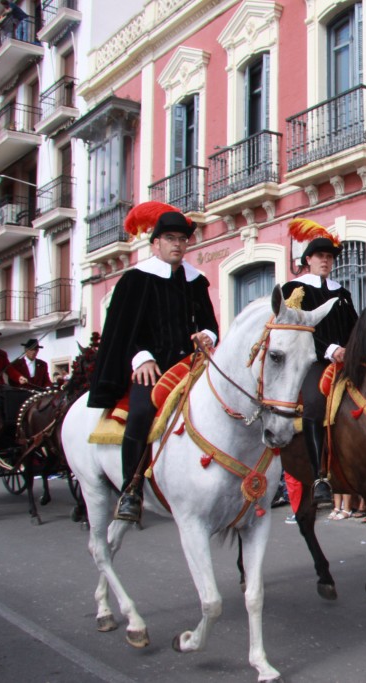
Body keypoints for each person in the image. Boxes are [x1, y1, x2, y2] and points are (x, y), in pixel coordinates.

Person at [88, 205, 219, 522]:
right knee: (142, 412)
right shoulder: (134, 280)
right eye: (170, 238)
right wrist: (141, 358)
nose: (177, 244)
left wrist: (207, 336)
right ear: (155, 243)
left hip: (192, 364)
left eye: (182, 239)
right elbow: (121, 330)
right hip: (152, 368)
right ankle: (130, 489)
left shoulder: (196, 281)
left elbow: (210, 323)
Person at [281, 219, 359, 505]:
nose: (326, 261)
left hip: (346, 361)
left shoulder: (342, 292)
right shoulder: (295, 289)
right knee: (314, 403)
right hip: (314, 360)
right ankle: (318, 475)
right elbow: (296, 331)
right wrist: (330, 350)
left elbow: (355, 327)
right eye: (320, 257)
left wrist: (354, 349)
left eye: (330, 257)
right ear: (308, 260)